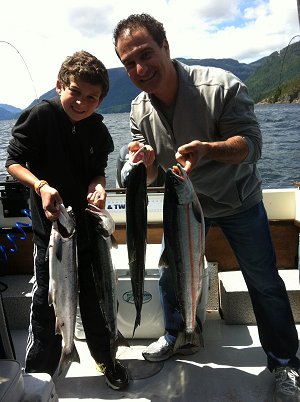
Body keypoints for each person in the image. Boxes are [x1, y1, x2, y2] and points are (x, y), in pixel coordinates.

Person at [112, 13, 300, 401]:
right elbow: (144, 177)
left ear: (166, 46)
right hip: (181, 206)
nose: (139, 68)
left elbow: (252, 145)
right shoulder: (137, 110)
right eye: (128, 62)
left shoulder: (220, 86)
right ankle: (178, 335)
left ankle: (285, 363)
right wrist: (143, 164)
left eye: (146, 54)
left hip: (237, 201)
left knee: (263, 281)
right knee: (169, 272)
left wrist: (207, 148)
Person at [5, 50, 129, 390]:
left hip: (87, 231)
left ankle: (106, 360)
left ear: (101, 99)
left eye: (92, 97)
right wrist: (41, 186)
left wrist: (99, 187)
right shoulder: (41, 117)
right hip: (51, 236)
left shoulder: (98, 131)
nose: (82, 102)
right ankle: (39, 374)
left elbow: (98, 173)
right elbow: (13, 162)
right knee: (48, 304)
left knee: (96, 301)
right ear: (60, 85)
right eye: (75, 91)